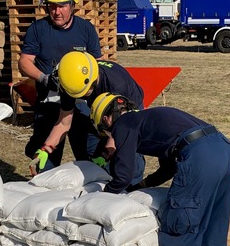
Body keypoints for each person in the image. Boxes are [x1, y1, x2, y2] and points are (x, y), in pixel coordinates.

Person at [90, 93, 230, 246]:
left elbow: (123, 172)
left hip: (199, 157)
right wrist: (143, 185)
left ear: (107, 119)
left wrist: (104, 196)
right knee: (213, 227)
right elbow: (168, 166)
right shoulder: (150, 118)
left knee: (179, 230)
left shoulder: (124, 124)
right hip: (223, 150)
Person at [18, 0, 102, 172]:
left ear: (73, 4)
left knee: (90, 160)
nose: (56, 12)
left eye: (62, 6)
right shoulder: (38, 29)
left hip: (81, 107)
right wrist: (43, 78)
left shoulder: (86, 29)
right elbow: (24, 62)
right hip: (49, 106)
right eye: (52, 6)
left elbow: (96, 65)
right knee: (46, 161)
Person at [30, 51, 146, 180]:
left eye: (83, 93)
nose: (81, 97)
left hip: (128, 110)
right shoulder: (71, 82)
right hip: (101, 108)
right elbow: (63, 123)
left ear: (93, 80)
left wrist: (105, 154)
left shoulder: (116, 85)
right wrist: (44, 150)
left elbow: (120, 130)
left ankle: (132, 186)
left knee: (127, 152)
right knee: (94, 154)